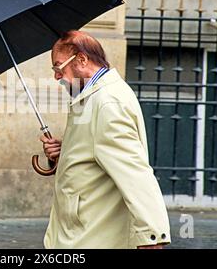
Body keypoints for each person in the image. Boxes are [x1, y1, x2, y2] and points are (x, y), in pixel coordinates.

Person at [41, 30, 171, 249]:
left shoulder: (107, 103)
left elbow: (134, 173)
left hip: (93, 236)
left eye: (58, 67)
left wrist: (151, 236)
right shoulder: (91, 96)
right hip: (82, 231)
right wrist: (65, 151)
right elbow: (96, 150)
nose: (56, 76)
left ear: (81, 59)